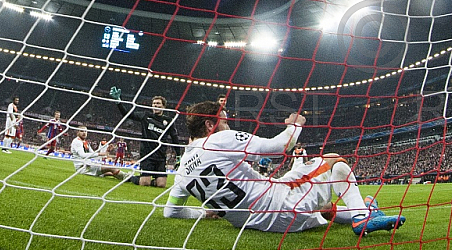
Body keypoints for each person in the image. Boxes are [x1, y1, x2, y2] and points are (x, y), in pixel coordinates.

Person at [164, 101, 405, 236]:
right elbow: (279, 146)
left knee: (320, 205)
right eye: (225, 121)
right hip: (283, 208)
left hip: (257, 222)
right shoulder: (218, 140)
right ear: (210, 125)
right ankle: (362, 217)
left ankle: (361, 210)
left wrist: (204, 213)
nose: (227, 126)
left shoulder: (182, 171)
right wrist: (294, 125)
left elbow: (170, 213)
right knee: (332, 159)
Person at [110, 87, 182, 188]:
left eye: (158, 103)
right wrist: (118, 102)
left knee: (161, 185)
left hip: (160, 156)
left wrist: (178, 156)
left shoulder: (169, 120)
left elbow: (174, 138)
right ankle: (129, 177)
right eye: (154, 104)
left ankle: (149, 179)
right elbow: (127, 114)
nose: (155, 105)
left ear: (163, 106)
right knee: (145, 183)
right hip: (147, 155)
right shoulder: (145, 116)